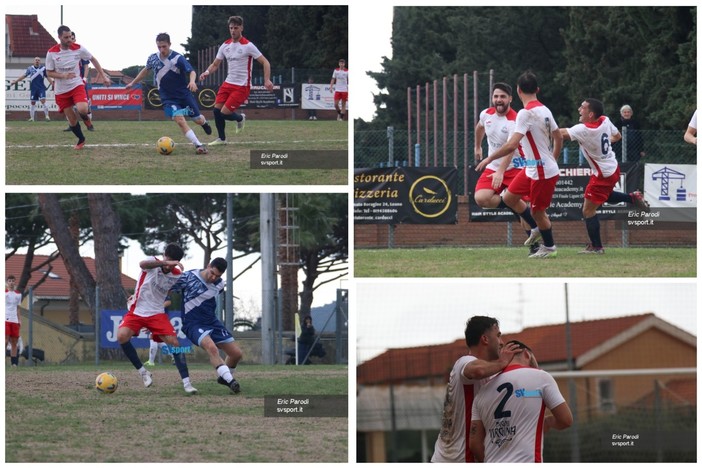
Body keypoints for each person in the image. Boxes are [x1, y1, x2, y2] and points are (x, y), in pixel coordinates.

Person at [476, 71, 563, 259]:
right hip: (532, 166)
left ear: (517, 91)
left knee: (538, 212)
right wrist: (553, 157)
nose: (498, 99)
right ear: (537, 90)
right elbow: (558, 136)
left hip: (540, 170)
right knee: (509, 198)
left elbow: (511, 145)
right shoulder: (545, 109)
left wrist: (489, 159)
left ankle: (549, 247)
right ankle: (535, 228)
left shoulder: (524, 113)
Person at [560, 99, 650, 254]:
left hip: (602, 174)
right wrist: (603, 140)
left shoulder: (583, 129)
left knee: (588, 210)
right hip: (612, 167)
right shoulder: (605, 120)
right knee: (603, 196)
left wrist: (538, 126)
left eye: (583, 107)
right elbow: (618, 136)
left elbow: (558, 133)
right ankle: (632, 198)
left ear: (591, 114)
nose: (579, 109)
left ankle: (596, 247)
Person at [431, 316, 522, 462]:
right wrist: (503, 361)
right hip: (457, 459)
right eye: (498, 336)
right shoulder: (465, 362)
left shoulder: (493, 373)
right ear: (485, 339)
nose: (502, 342)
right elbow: (476, 371)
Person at [469, 340, 573, 462]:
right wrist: (549, 422)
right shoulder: (540, 377)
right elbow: (566, 420)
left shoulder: (482, 391)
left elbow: (474, 444)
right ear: (527, 354)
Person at [117, 243, 197, 394]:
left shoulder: (177, 274)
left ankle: (187, 384)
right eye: (168, 259)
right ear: (164, 256)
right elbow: (142, 264)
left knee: (175, 343)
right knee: (121, 336)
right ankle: (143, 373)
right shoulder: (152, 262)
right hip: (138, 311)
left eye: (173, 261)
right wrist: (165, 262)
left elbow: (185, 284)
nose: (168, 265)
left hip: (157, 314)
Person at [473, 82, 539, 255]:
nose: (498, 100)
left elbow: (511, 147)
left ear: (510, 98)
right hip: (494, 166)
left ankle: (535, 247)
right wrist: (477, 147)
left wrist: (501, 171)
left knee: (522, 209)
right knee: (481, 199)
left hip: (516, 166)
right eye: (496, 96)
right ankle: (511, 201)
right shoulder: (486, 114)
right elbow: (479, 127)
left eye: (502, 96)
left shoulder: (514, 119)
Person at [126, 33, 211, 155]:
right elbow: (146, 70)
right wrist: (133, 83)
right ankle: (198, 145)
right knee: (180, 119)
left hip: (183, 95)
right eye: (159, 47)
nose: (162, 50)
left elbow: (191, 71)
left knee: (197, 119)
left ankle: (204, 122)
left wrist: (192, 81)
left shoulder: (177, 58)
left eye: (164, 46)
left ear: (170, 44)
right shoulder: (153, 58)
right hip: (168, 98)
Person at [199, 16, 273, 146]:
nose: (233, 31)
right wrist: (206, 72)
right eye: (231, 28)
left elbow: (265, 62)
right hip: (228, 83)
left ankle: (240, 118)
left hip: (242, 86)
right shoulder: (225, 45)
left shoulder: (248, 45)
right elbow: (215, 64)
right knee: (216, 111)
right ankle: (222, 139)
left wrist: (267, 80)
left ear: (241, 28)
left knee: (224, 113)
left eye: (236, 28)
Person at [171, 258, 243, 393]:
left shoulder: (219, 284)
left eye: (218, 276)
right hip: (192, 323)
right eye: (212, 273)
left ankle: (224, 378)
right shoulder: (188, 277)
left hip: (212, 322)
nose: (213, 277)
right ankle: (231, 381)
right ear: (208, 265)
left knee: (236, 354)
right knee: (212, 348)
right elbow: (167, 289)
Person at [45, 25, 111, 150]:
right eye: (66, 37)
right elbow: (49, 72)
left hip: (76, 84)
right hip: (61, 90)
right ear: (59, 37)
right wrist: (63, 75)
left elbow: (93, 59)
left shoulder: (79, 48)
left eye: (70, 36)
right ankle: (81, 139)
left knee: (82, 108)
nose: (69, 39)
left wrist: (103, 76)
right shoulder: (51, 52)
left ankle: (86, 119)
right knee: (72, 119)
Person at [63, 31, 94, 132]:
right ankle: (72, 125)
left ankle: (89, 124)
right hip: (68, 82)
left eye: (71, 38)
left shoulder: (79, 51)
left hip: (79, 82)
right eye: (67, 38)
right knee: (68, 105)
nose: (69, 40)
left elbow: (86, 66)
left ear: (74, 39)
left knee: (84, 106)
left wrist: (84, 78)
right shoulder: (62, 52)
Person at [9, 57, 54, 122]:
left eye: (38, 60)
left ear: (40, 62)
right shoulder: (30, 68)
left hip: (41, 88)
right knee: (33, 102)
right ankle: (32, 118)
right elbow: (24, 76)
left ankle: (47, 116)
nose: (37, 61)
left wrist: (53, 84)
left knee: (43, 101)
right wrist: (15, 81)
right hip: (33, 89)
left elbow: (48, 77)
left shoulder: (43, 69)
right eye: (36, 60)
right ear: (34, 61)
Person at [5, 275, 23, 367]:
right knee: (5, 341)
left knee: (14, 342)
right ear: (7, 282)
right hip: (5, 319)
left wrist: (19, 320)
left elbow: (18, 308)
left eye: (13, 281)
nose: (11, 282)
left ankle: (14, 363)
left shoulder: (18, 295)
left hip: (14, 320)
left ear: (15, 282)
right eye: (9, 281)